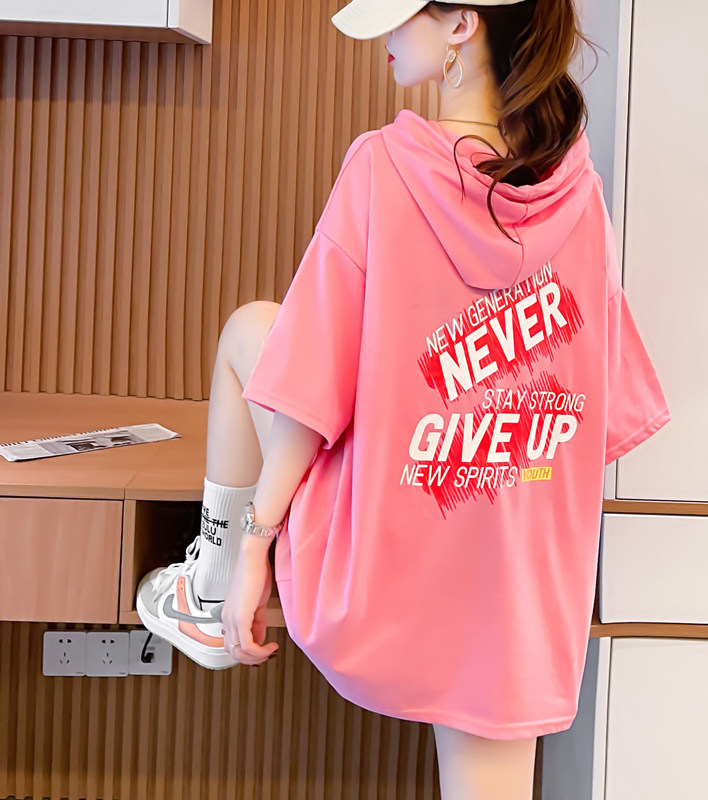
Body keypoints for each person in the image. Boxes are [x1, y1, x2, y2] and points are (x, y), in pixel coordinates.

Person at [136, 0, 671, 796]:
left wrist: (256, 546)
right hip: (516, 583)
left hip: (385, 556)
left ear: (461, 25)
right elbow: (599, 403)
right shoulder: (579, 194)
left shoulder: (384, 167)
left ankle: (210, 587)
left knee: (253, 330)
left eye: (402, 13)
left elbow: (309, 381)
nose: (387, 37)